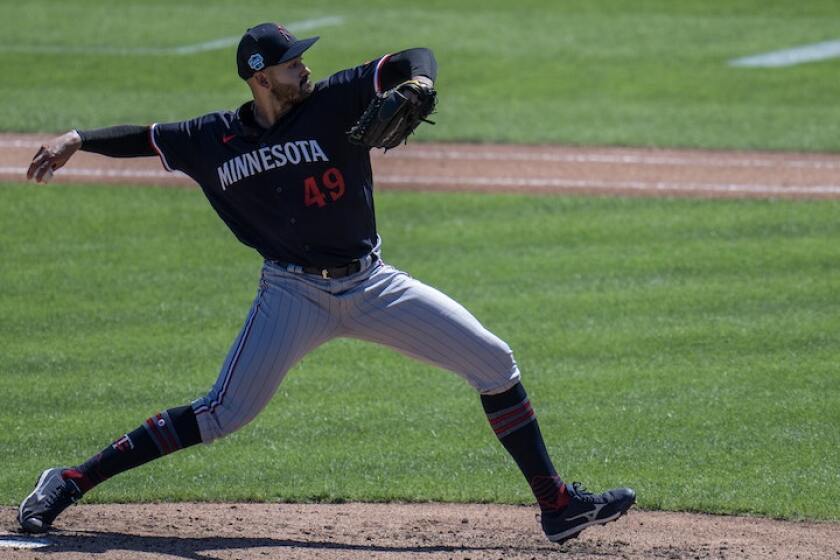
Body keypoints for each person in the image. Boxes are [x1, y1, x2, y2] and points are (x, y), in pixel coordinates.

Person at [18, 22, 635, 544]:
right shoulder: (214, 139)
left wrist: (420, 82)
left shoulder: (335, 100)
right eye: (291, 63)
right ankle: (69, 481)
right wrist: (78, 139)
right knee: (222, 413)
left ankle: (557, 507)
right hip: (292, 295)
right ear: (261, 77)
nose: (304, 68)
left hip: (373, 286)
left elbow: (411, 58)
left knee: (495, 362)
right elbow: (148, 138)